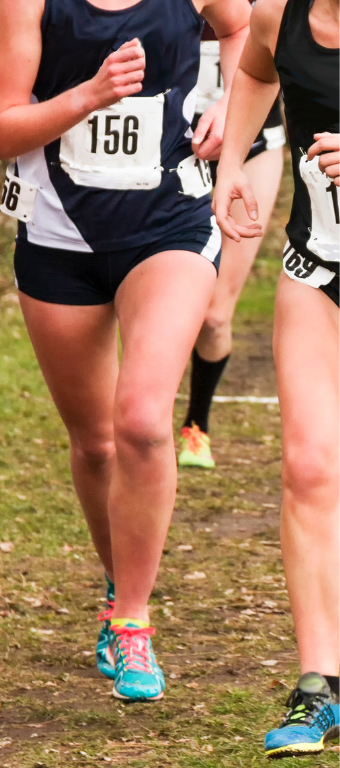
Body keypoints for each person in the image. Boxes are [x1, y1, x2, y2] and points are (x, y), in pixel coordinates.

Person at [0, 0, 251, 702]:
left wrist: (231, 103)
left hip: (171, 223)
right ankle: (118, 583)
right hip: (58, 240)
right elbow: (1, 127)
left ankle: (133, 621)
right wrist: (90, 94)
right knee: (95, 443)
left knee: (139, 418)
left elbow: (248, 29)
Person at [212, 0, 337, 755]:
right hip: (316, 270)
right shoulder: (277, 17)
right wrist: (232, 164)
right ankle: (319, 682)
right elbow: (255, 74)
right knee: (308, 466)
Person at [177, 7, 287, 469]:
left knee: (214, 314)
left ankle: (196, 427)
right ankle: (136, 421)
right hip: (171, 149)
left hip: (251, 145)